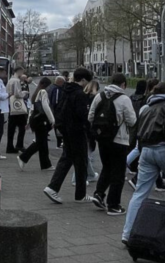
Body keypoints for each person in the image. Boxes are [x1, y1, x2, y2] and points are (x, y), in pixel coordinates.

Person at [120, 81, 165, 240]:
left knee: (140, 193)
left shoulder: (147, 109)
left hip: (146, 151)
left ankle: (127, 233)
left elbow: (137, 131)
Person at [43, 67, 94, 204]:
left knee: (67, 159)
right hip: (77, 131)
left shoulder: (65, 90)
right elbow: (83, 116)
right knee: (81, 162)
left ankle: (53, 187)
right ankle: (79, 195)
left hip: (66, 130)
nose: (87, 85)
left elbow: (59, 109)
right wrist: (89, 131)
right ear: (83, 80)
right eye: (87, 82)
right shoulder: (80, 94)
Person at [89, 73, 137, 216]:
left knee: (107, 167)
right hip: (119, 140)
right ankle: (113, 205)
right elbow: (132, 121)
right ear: (123, 85)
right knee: (118, 173)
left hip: (102, 139)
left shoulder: (99, 96)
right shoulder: (124, 99)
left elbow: (90, 116)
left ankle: (99, 193)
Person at [19, 77, 55, 171]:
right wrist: (52, 119)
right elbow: (46, 107)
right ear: (46, 85)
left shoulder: (36, 93)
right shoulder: (43, 92)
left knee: (42, 143)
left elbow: (32, 109)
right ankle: (23, 157)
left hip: (35, 121)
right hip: (42, 121)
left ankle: (46, 164)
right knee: (40, 143)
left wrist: (28, 122)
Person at [5, 67, 29, 154]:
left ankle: (9, 146)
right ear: (18, 71)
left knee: (11, 128)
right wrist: (25, 93)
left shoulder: (10, 80)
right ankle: (19, 145)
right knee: (22, 127)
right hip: (17, 106)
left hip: (11, 105)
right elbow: (18, 94)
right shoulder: (16, 81)